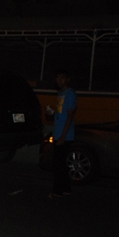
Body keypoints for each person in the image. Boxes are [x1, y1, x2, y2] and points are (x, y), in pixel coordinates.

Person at [46, 69, 77, 198]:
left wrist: (63, 136)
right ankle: (66, 189)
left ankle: (57, 191)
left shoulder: (70, 94)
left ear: (67, 79)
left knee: (57, 163)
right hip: (58, 132)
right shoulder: (60, 94)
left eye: (62, 78)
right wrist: (52, 113)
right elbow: (61, 113)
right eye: (57, 78)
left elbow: (70, 116)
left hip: (65, 134)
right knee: (61, 163)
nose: (59, 80)